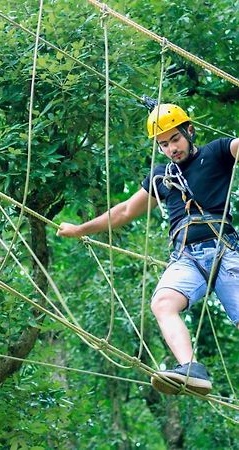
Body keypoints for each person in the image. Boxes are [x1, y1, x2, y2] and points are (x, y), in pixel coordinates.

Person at [57, 103, 239, 395]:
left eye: (175, 140)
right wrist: (80, 230)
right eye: (164, 144)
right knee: (163, 303)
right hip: (186, 258)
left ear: (189, 131)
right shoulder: (161, 176)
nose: (171, 149)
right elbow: (125, 211)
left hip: (224, 250)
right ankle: (191, 368)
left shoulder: (216, 153)